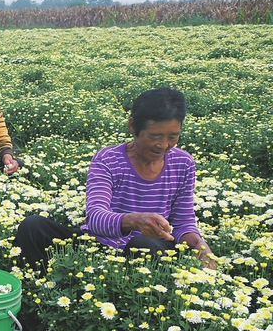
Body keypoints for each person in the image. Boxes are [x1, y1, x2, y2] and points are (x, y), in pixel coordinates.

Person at [14, 86, 214, 272]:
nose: (163, 145)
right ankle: (39, 287)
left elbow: (183, 222)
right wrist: (135, 221)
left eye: (172, 136)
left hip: (150, 249)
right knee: (33, 227)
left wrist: (198, 244)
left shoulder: (183, 163)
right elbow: (95, 218)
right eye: (154, 136)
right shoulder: (108, 159)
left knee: (143, 245)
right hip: (98, 245)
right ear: (132, 126)